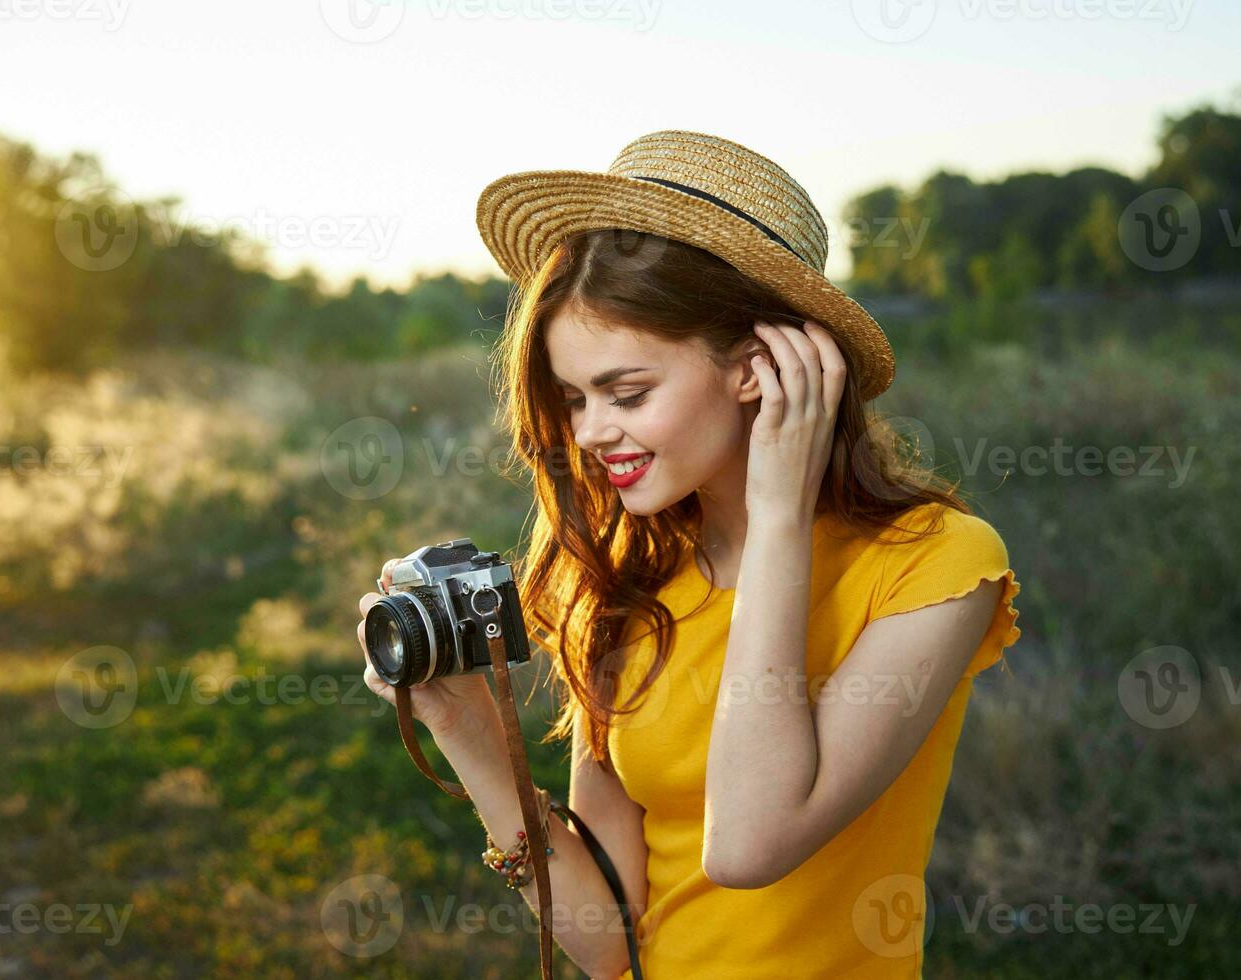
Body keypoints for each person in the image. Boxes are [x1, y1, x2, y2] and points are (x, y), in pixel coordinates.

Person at [357, 129, 1023, 979]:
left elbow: (751, 844)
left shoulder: (934, 565)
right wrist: (461, 725)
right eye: (572, 399)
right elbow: (605, 939)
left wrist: (778, 517)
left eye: (627, 393)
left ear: (757, 366)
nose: (592, 433)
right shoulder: (625, 584)